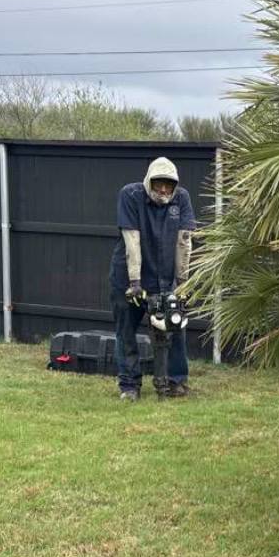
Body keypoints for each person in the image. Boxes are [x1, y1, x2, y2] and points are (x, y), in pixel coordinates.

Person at [110, 157, 196, 401]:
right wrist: (134, 283)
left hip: (166, 277)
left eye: (168, 184)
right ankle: (129, 385)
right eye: (158, 183)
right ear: (149, 181)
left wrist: (182, 282)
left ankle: (176, 381)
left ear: (174, 185)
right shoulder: (130, 195)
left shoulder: (182, 199)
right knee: (125, 330)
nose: (163, 189)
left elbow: (184, 241)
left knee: (175, 326)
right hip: (128, 275)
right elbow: (131, 240)